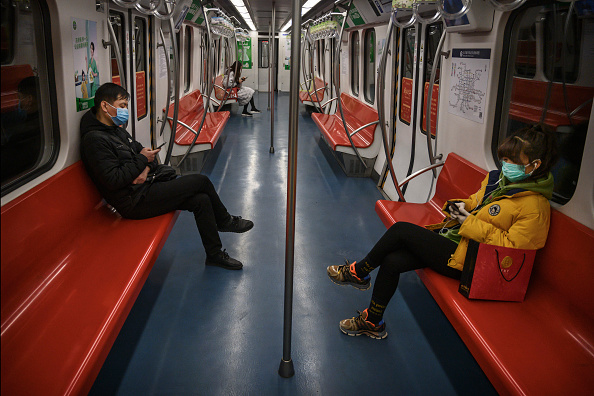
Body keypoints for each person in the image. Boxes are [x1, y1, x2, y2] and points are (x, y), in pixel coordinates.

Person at [327, 125, 558, 339]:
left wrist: (467, 222)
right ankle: (373, 321)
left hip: (474, 263)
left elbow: (513, 251)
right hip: (457, 240)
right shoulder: (498, 181)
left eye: (513, 161)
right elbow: (475, 202)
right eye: (504, 159)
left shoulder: (535, 207)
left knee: (401, 230)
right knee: (393, 261)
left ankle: (359, 271)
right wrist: (460, 208)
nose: (506, 165)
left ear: (534, 166)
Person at [80, 83, 253, 270]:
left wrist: (143, 166)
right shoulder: (94, 140)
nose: (125, 111)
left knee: (201, 200)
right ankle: (225, 220)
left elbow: (149, 157)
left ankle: (215, 255)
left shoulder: (116, 130)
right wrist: (142, 161)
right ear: (105, 106)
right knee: (200, 181)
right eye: (121, 106)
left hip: (144, 185)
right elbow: (114, 179)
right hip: (133, 201)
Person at [1, 76, 42, 183]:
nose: (19, 102)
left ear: (29, 100)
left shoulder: (23, 134)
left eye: (20, 98)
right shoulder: (44, 120)